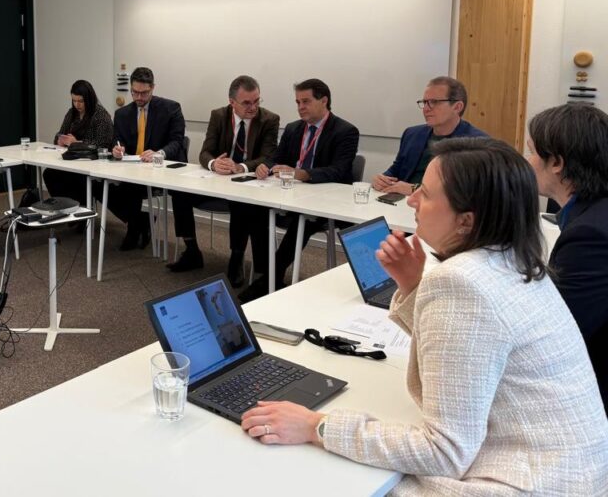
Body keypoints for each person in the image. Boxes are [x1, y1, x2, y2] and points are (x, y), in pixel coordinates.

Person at [240, 137, 608, 494]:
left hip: (529, 481)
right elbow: (470, 349)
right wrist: (413, 284)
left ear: (466, 221)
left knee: (318, 474)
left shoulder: (461, 283)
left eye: (426, 194)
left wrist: (317, 426)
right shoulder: (515, 259)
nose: (412, 200)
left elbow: (445, 452)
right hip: (571, 468)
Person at [239, 78, 359, 300]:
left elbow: (339, 171)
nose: (300, 107)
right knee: (255, 209)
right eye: (297, 102)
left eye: (306, 101)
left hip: (326, 200)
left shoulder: (345, 131)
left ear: (324, 101)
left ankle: (269, 279)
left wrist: (302, 174)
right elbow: (277, 157)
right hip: (292, 194)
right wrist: (266, 166)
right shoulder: (294, 128)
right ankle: (265, 273)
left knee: (303, 220)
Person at [527, 103, 608, 411]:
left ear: (557, 163)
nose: (528, 162)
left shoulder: (590, 235)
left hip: (587, 397)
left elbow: (555, 338)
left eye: (532, 152)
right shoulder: (593, 213)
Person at [168, 75, 279, 288]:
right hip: (218, 181)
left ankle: (236, 259)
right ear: (232, 102)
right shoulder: (218, 115)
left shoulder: (269, 120)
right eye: (246, 103)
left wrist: (241, 167)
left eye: (257, 101)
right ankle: (191, 250)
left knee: (241, 203)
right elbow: (205, 152)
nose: (253, 107)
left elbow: (268, 156)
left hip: (248, 184)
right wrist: (214, 164)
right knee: (180, 192)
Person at [109, 67, 186, 250]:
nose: (139, 97)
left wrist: (159, 153)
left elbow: (177, 141)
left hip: (158, 169)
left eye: (144, 93)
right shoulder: (122, 114)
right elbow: (116, 140)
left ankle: (133, 230)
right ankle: (140, 222)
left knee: (130, 187)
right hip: (131, 168)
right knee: (100, 185)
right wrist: (117, 149)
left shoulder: (171, 109)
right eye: (134, 92)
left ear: (153, 88)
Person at [372, 76, 487, 195]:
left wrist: (415, 189)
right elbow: (396, 171)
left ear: (457, 107)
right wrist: (382, 179)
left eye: (434, 102)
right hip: (402, 202)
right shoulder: (412, 134)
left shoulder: (477, 144)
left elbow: (469, 192)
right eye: (424, 102)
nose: (426, 109)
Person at [42, 79, 114, 205]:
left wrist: (76, 143)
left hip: (91, 163)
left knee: (74, 178)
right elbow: (60, 134)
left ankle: (78, 208)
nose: (77, 105)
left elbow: (103, 145)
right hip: (72, 161)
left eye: (81, 101)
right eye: (74, 100)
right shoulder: (72, 113)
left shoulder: (101, 116)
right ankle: (64, 206)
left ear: (89, 99)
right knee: (49, 173)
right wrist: (60, 140)